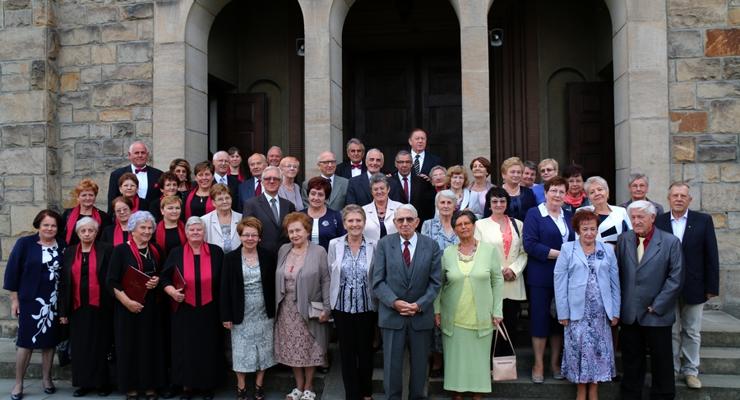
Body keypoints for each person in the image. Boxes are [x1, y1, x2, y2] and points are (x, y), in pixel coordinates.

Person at [372, 204, 442, 400]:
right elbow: (377, 281)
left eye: (409, 219)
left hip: (421, 316)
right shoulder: (384, 244)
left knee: (420, 367)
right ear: (394, 223)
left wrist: (419, 304)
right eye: (400, 220)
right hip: (392, 315)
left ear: (417, 221)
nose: (405, 223)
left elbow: (436, 282)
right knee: (392, 368)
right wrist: (395, 302)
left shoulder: (431, 245)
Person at [655, 182, 719, 389]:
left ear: (690, 199)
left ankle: (691, 370)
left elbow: (711, 254)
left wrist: (712, 286)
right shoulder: (660, 221)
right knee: (671, 331)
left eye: (683, 196)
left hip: (695, 286)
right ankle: (672, 370)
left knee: (691, 331)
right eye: (675, 195)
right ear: (669, 199)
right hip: (666, 288)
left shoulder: (703, 221)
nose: (679, 199)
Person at [617, 201, 683, 400]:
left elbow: (676, 277)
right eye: (633, 217)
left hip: (657, 313)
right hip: (630, 312)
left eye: (641, 217)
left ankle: (662, 396)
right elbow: (618, 273)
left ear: (652, 218)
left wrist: (657, 305)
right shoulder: (624, 239)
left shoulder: (670, 242)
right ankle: (630, 396)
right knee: (631, 360)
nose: (636, 221)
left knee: (661, 361)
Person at [434, 210, 503, 399]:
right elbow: (439, 283)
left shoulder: (488, 251)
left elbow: (497, 280)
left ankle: (477, 396)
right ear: (454, 229)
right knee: (455, 363)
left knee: (479, 363)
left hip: (482, 317)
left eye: (467, 223)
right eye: (459, 224)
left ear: (474, 226)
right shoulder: (447, 253)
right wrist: (437, 310)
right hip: (453, 318)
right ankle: (457, 396)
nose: (463, 227)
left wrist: (497, 310)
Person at [554, 210, 620, 400]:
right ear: (578, 230)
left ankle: (594, 388)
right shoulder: (568, 249)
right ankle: (581, 389)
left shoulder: (607, 249)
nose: (589, 233)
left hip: (600, 312)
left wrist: (615, 311)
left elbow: (615, 282)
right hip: (576, 311)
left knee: (598, 351)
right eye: (585, 229)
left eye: (593, 229)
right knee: (579, 350)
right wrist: (563, 312)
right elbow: (559, 282)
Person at [4, 210, 65, 400]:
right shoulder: (25, 244)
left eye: (53, 225)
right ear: (38, 225)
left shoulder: (62, 245)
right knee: (25, 342)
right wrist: (15, 300)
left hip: (54, 300)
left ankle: (47, 379)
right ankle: (18, 383)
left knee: (49, 341)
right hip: (30, 300)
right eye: (46, 224)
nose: (49, 228)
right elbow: (12, 272)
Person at [162, 217, 225, 400]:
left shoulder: (216, 252)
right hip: (184, 309)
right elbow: (165, 278)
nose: (196, 232)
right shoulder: (176, 253)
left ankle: (207, 386)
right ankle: (187, 386)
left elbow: (223, 281)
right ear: (186, 232)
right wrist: (172, 292)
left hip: (210, 310)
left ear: (204, 232)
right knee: (185, 349)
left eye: (199, 229)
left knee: (208, 348)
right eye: (192, 230)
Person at [106, 211, 166, 400]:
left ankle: (149, 386)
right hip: (127, 308)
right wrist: (127, 302)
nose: (147, 231)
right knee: (129, 346)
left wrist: (156, 280)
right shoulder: (120, 250)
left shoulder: (155, 249)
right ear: (132, 229)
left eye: (150, 228)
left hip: (150, 307)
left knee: (150, 346)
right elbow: (111, 281)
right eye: (143, 228)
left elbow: (161, 274)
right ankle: (130, 387)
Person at [523, 176, 574, 383]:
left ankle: (555, 363)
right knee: (540, 320)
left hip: (566, 278)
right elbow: (530, 244)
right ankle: (538, 364)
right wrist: (561, 254)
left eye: (562, 191)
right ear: (545, 193)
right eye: (553, 190)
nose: (557, 195)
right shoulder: (534, 214)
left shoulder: (569, 216)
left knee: (559, 321)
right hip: (541, 276)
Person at [274, 213, 331, 400]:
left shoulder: (319, 251)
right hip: (286, 308)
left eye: (298, 230)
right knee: (293, 349)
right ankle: (298, 386)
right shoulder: (284, 249)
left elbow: (325, 280)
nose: (294, 234)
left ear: (307, 231)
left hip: (308, 307)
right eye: (291, 231)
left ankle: (309, 386)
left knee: (309, 347)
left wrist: (327, 307)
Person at [221, 217, 277, 400]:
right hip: (240, 311)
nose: (250, 238)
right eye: (246, 235)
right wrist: (226, 315)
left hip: (264, 310)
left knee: (264, 349)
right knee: (241, 350)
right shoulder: (230, 259)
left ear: (260, 237)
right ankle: (241, 388)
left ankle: (259, 386)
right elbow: (224, 289)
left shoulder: (268, 256)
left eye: (254, 235)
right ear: (240, 236)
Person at [59, 217, 114, 397]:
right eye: (83, 231)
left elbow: (111, 278)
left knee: (101, 344)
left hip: (101, 306)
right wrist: (63, 311)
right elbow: (64, 283)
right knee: (81, 347)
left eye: (91, 230)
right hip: (77, 307)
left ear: (96, 232)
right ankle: (83, 383)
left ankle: (102, 383)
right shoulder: (69, 252)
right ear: (77, 233)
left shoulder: (106, 250)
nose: (87, 233)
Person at [327, 205, 378, 400]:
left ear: (364, 223)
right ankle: (352, 394)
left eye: (358, 220)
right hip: (342, 307)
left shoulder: (375, 244)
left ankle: (366, 392)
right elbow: (331, 273)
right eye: (351, 221)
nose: (355, 224)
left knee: (365, 351)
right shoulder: (334, 245)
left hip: (367, 307)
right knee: (347, 353)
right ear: (344, 223)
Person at [475, 187, 527, 330]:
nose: (499, 204)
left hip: (513, 282)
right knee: (491, 326)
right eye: (495, 201)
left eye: (502, 201)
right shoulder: (480, 225)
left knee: (511, 325)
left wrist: (513, 270)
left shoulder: (518, 224)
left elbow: (524, 252)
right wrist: (499, 271)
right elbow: (479, 252)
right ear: (489, 205)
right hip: (491, 282)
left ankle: (509, 354)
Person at [421, 190, 460, 378]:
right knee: (436, 322)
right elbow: (423, 250)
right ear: (437, 205)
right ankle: (437, 360)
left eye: (449, 203)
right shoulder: (428, 225)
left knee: (455, 320)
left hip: (458, 280)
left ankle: (453, 360)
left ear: (455, 205)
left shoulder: (461, 224)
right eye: (442, 202)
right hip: (434, 279)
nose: (445, 206)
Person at [242, 166, 297, 255]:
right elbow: (247, 231)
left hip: (286, 255)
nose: (271, 181)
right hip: (261, 255)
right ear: (262, 182)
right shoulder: (251, 204)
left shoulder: (289, 205)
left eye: (276, 179)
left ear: (281, 182)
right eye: (268, 179)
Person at [107, 141, 162, 215]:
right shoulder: (117, 174)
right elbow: (112, 200)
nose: (140, 155)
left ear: (147, 155)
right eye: (136, 153)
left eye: (143, 153)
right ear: (129, 155)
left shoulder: (158, 174)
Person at [580, 176, 631, 245]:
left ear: (607, 192)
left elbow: (630, 237)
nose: (597, 193)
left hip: (615, 254)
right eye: (592, 192)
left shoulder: (621, 212)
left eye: (600, 189)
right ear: (588, 197)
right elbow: (578, 239)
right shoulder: (582, 212)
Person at [388, 150, 436, 223]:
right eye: (401, 162)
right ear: (396, 164)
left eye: (407, 162)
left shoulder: (423, 182)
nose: (404, 165)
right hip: (396, 225)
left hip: (418, 225)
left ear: (412, 164)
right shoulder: (388, 182)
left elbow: (428, 208)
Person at [302, 177, 346, 250]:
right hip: (304, 259)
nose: (316, 198)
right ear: (308, 195)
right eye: (313, 194)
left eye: (320, 195)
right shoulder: (299, 216)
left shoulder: (336, 216)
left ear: (326, 197)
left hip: (329, 259)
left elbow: (342, 241)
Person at [62, 178, 110, 246]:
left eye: (91, 195)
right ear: (78, 197)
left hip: (95, 254)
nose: (87, 198)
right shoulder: (67, 214)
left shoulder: (103, 217)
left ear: (95, 197)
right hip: (71, 253)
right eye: (84, 195)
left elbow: (105, 240)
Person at [201, 184, 242, 253]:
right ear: (213, 203)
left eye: (227, 198)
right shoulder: (204, 220)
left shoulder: (241, 218)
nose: (225, 201)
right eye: (220, 199)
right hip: (214, 258)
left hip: (236, 259)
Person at [362, 173, 403, 242]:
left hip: (395, 249)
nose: (379, 192)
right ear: (371, 192)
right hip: (371, 250)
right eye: (375, 189)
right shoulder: (363, 210)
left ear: (388, 189)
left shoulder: (400, 208)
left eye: (382, 188)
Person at [498, 157, 537, 222]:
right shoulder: (494, 193)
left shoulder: (528, 193)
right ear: (503, 174)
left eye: (519, 172)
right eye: (512, 172)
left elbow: (534, 215)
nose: (516, 175)